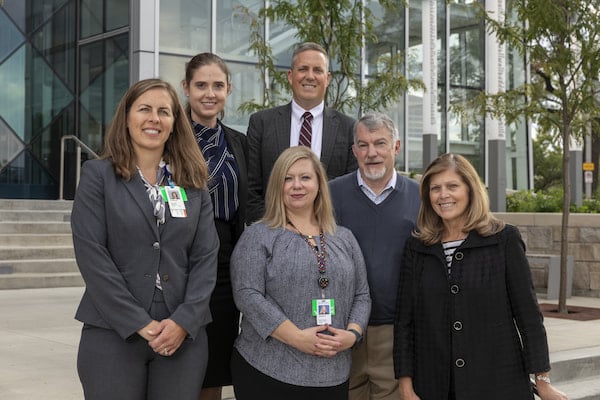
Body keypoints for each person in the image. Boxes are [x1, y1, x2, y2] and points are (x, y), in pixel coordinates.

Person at [71, 78, 219, 400]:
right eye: (145, 109)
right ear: (126, 118)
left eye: (164, 111)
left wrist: (183, 321)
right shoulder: (98, 176)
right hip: (112, 332)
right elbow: (93, 257)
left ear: (174, 123)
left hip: (182, 336)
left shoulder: (194, 183)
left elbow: (206, 258)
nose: (154, 118)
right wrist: (140, 322)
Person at [393, 153, 569, 400]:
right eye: (435, 188)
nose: (443, 195)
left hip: (498, 382)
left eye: (452, 186)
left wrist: (543, 381)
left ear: (470, 190)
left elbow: (529, 317)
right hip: (434, 384)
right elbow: (405, 323)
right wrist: (405, 386)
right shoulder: (417, 246)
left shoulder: (503, 239)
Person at [230, 146, 371, 400]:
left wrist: (352, 335)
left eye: (305, 177)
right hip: (267, 372)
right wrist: (296, 338)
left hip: (333, 375)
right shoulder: (258, 236)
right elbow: (247, 295)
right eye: (288, 178)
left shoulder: (345, 238)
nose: (297, 185)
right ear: (277, 186)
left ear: (319, 184)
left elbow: (362, 295)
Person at [329, 112, 420, 400]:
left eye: (379, 144)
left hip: (395, 330)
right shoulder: (330, 194)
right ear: (354, 150)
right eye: (363, 145)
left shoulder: (420, 197)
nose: (371, 153)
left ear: (396, 147)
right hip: (342, 329)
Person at [182, 52, 248, 400]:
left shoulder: (239, 142)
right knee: (181, 355)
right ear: (186, 88)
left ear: (228, 90)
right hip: (180, 258)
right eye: (201, 85)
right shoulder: (170, 138)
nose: (210, 93)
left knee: (215, 359)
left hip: (226, 260)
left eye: (218, 86)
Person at [246, 41, 357, 223]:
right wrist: (276, 229)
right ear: (290, 76)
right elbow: (251, 191)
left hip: (327, 235)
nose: (310, 76)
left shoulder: (348, 128)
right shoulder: (262, 123)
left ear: (327, 78)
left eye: (318, 70)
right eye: (303, 69)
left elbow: (350, 194)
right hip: (273, 233)